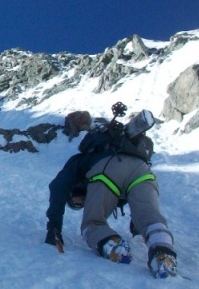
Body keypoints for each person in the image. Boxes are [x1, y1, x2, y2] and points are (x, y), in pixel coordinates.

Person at [44, 104, 178, 278]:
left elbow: (57, 187)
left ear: (75, 192)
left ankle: (112, 245)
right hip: (143, 170)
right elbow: (136, 202)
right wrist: (137, 226)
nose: (82, 204)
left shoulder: (80, 161)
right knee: (151, 219)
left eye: (78, 203)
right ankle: (163, 253)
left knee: (92, 223)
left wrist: (54, 226)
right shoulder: (115, 150)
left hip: (107, 170)